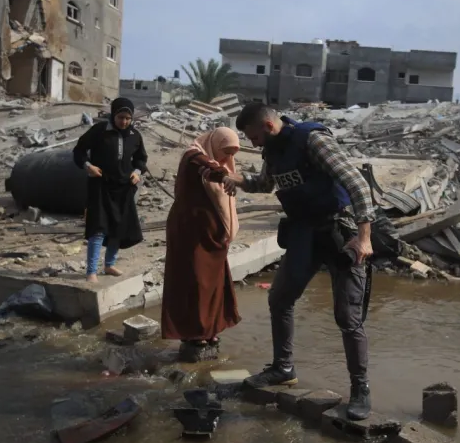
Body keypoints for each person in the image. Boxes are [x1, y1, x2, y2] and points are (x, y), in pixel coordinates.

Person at [228, 102, 376, 420]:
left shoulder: (313, 141)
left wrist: (364, 238)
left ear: (268, 126)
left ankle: (360, 388)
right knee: (280, 298)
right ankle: (283, 368)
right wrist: (239, 181)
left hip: (341, 232)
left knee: (347, 318)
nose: (253, 145)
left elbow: (358, 185)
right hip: (304, 233)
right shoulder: (273, 151)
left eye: (254, 137)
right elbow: (267, 184)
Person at [161, 127, 242, 347]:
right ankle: (192, 332)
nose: (228, 158)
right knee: (193, 280)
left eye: (232, 153)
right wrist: (236, 178)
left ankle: (210, 328)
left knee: (214, 283)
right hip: (190, 231)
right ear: (214, 144)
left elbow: (221, 175)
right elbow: (212, 169)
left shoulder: (219, 162)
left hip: (212, 232)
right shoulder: (194, 156)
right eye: (225, 151)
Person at [72, 97, 148, 283]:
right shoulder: (99, 131)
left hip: (123, 188)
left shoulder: (135, 136)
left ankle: (109, 264)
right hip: (100, 185)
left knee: (118, 227)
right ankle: (91, 271)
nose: (124, 122)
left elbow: (140, 159)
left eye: (127, 118)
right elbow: (79, 151)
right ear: (113, 115)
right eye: (120, 117)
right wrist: (88, 166)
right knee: (98, 228)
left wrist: (137, 172)